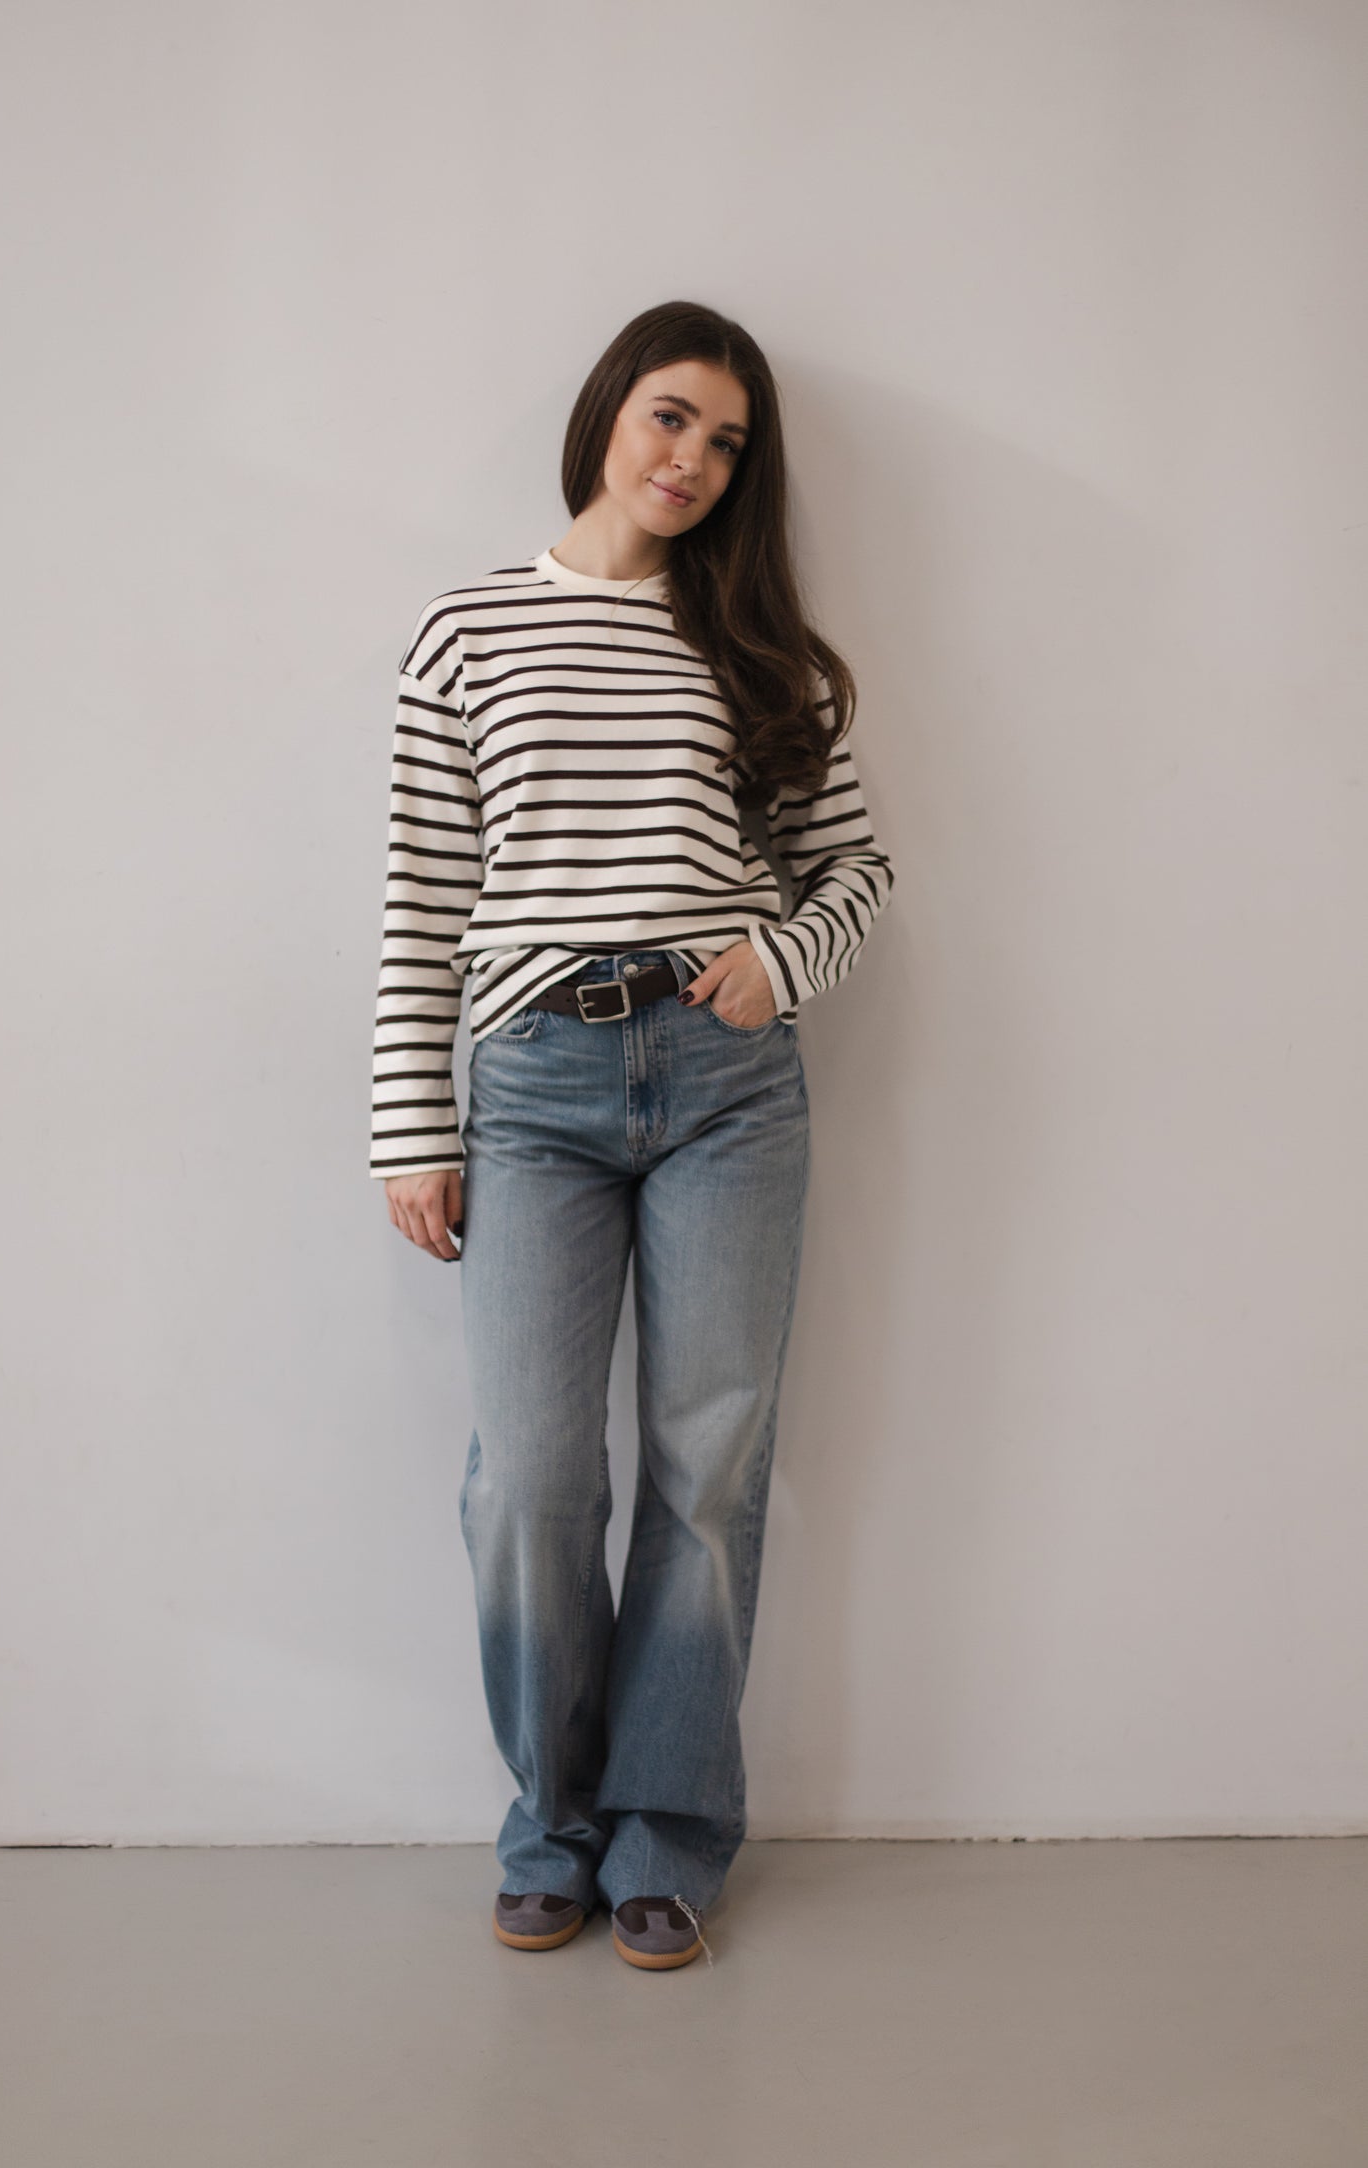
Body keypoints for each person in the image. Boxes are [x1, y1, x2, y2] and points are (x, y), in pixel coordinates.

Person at [370, 300, 895, 1970]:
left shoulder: (754, 646)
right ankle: (552, 1822)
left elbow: (855, 869)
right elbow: (422, 901)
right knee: (530, 1478)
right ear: (609, 409)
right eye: (671, 416)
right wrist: (409, 1126)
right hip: (532, 1083)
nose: (691, 460)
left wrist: (777, 964)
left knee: (706, 1465)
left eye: (726, 443)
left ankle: (665, 1833)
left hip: (728, 1081)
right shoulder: (468, 628)